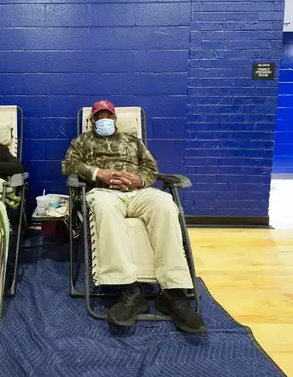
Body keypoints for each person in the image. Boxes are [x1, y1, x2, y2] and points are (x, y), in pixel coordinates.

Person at [61, 100, 206, 333]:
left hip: (138, 192)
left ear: (115, 119)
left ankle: (174, 292)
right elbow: (69, 165)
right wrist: (101, 174)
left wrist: (139, 179)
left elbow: (151, 168)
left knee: (165, 204)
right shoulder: (81, 142)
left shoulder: (133, 141)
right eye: (99, 116)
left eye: (108, 115)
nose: (104, 119)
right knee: (104, 208)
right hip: (104, 192)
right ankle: (128, 289)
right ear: (92, 120)